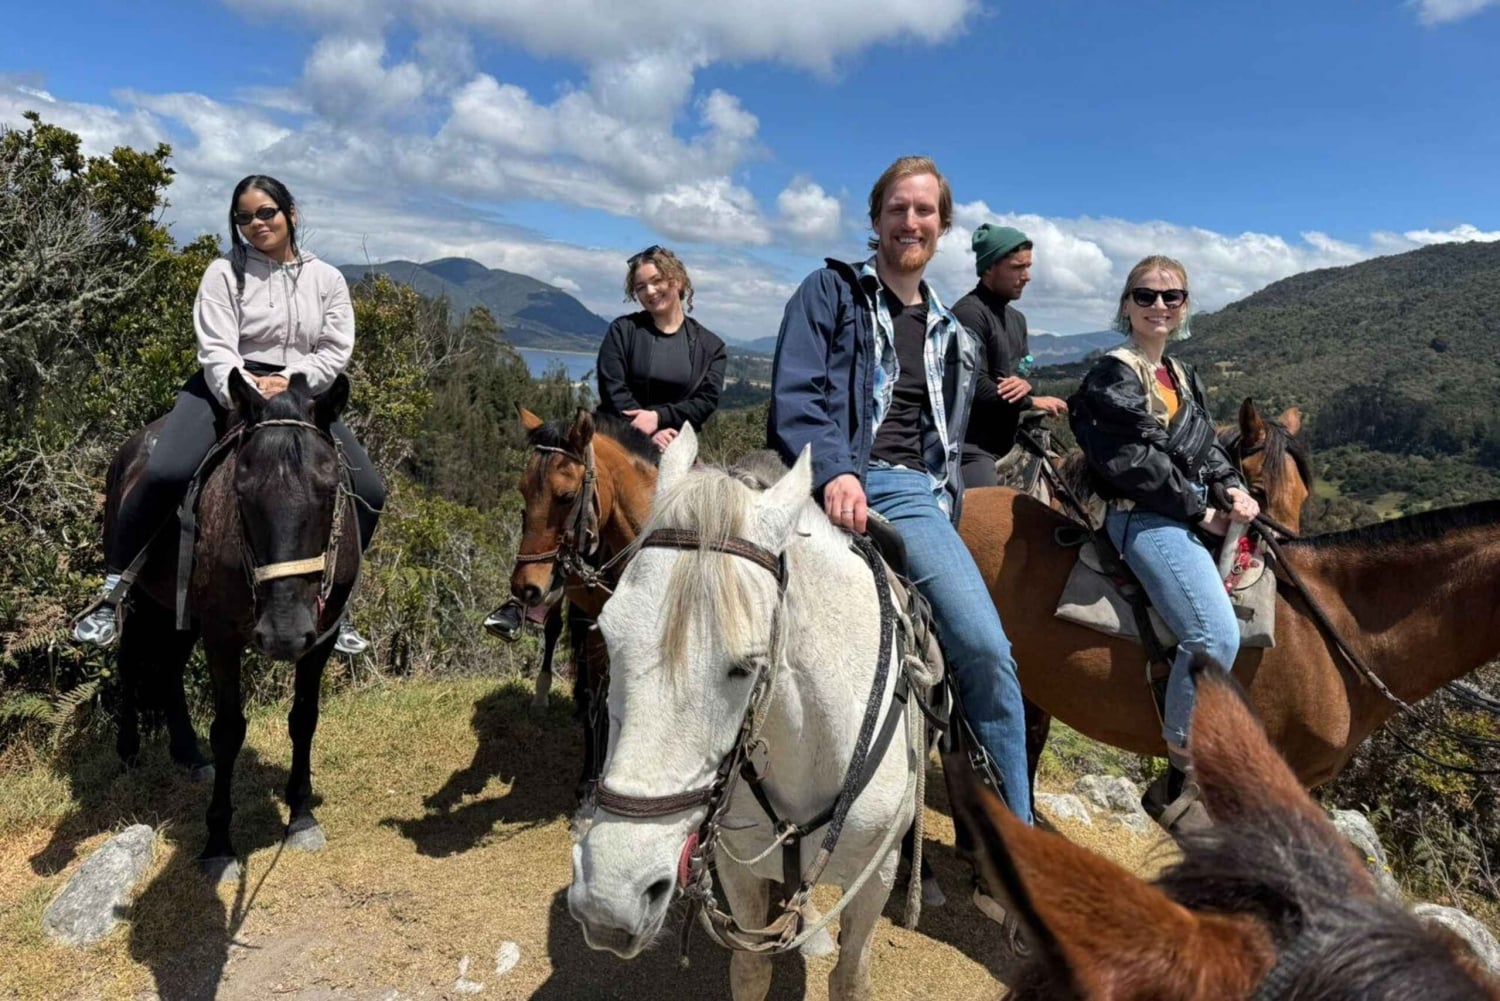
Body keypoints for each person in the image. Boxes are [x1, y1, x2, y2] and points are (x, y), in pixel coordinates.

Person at [766, 156, 1033, 835]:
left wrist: (1021, 407)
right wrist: (838, 471)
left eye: (923, 211)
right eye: (897, 208)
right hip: (851, 476)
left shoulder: (952, 332)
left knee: (984, 650)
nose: (909, 221)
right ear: (876, 220)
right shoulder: (830, 294)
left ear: (942, 226)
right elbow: (797, 397)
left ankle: (1006, 843)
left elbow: (969, 431)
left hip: (928, 496)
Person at [73, 174, 385, 655]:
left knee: (368, 489)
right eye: (244, 217)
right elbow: (215, 345)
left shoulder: (328, 279)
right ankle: (113, 591)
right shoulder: (224, 273)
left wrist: (294, 379)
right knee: (164, 468)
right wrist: (244, 388)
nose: (256, 224)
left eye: (266, 213)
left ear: (291, 215)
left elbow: (335, 346)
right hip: (230, 389)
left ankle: (336, 607)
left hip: (300, 396)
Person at [1068, 254, 1259, 831]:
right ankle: (1182, 767)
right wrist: (1201, 511)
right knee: (1213, 631)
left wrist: (1232, 489)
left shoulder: (1182, 374)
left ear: (1184, 308)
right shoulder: (1112, 374)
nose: (1158, 306)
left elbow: (1209, 450)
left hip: (1192, 512)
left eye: (1171, 297)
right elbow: (1132, 463)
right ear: (1126, 305)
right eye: (1146, 295)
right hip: (1144, 518)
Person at [950, 224, 1068, 488]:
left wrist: (1027, 385)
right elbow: (973, 386)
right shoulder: (969, 314)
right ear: (990, 267)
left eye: (1028, 267)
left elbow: (1022, 372)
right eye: (1017, 267)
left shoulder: (1017, 319)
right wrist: (1032, 400)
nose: (1027, 276)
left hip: (1011, 437)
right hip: (973, 447)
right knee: (986, 518)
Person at [596, 246, 727, 451]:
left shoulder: (711, 347)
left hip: (674, 447)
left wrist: (659, 418)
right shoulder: (622, 331)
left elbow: (705, 402)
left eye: (657, 281)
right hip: (616, 445)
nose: (649, 291)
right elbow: (612, 389)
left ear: (678, 280)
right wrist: (647, 432)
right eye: (640, 287)